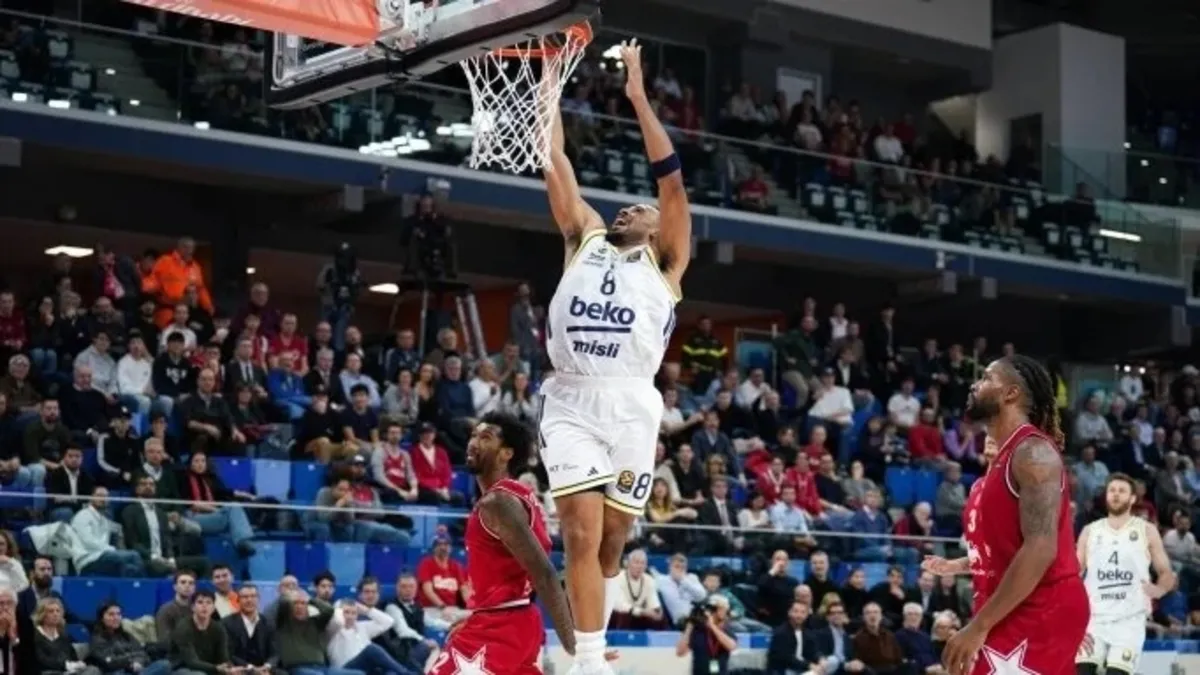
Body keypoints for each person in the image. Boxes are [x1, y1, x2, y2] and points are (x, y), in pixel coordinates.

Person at [541, 39, 692, 675]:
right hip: (571, 395)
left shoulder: (667, 259)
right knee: (578, 531)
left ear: (660, 228)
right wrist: (548, 82)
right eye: (626, 206)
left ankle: (592, 632)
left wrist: (636, 96)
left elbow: (671, 180)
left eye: (642, 207)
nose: (630, 206)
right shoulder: (585, 235)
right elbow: (554, 157)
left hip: (632, 401)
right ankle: (585, 659)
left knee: (610, 542)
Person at [926, 355, 1088, 675]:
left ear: (1011, 393)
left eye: (987, 378)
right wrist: (959, 566)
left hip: (1042, 606)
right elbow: (1003, 550)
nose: (975, 385)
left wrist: (978, 625)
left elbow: (1040, 549)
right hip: (1011, 605)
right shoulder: (1003, 459)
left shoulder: (1032, 453)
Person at [428, 413, 576, 675]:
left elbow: (544, 575)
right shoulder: (521, 496)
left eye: (486, 438)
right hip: (513, 618)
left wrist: (578, 647)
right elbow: (518, 575)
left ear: (506, 453)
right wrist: (476, 616)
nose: (473, 442)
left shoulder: (498, 503)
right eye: (474, 435)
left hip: (501, 627)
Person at [1075, 473, 1176, 675]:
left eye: (1122, 491)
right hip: (1093, 619)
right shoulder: (1089, 531)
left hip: (1129, 621)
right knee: (1083, 671)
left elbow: (1166, 572)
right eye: (1112, 490)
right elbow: (1074, 573)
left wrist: (1160, 589)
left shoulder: (1147, 530)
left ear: (1132, 499)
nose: (1115, 494)